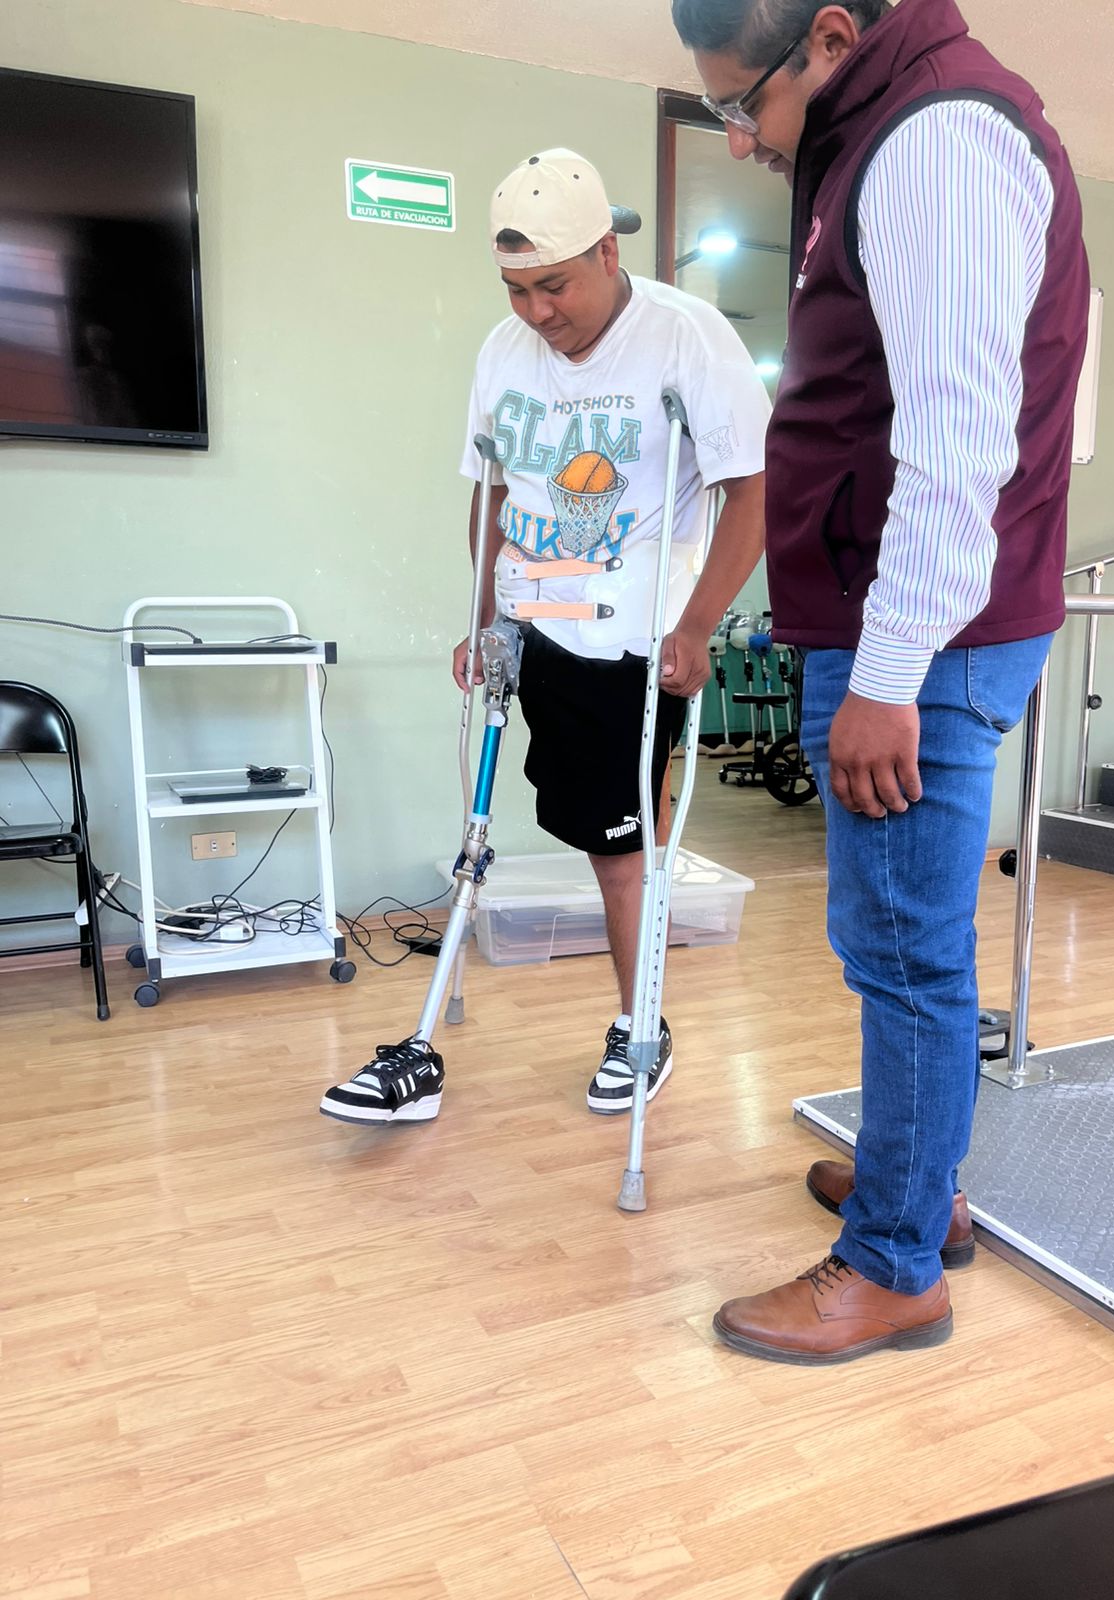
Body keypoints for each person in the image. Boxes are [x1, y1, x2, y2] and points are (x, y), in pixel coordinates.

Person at [672, 0, 1090, 1363]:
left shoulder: (934, 142)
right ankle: (923, 1179)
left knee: (905, 951)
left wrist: (889, 671)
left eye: (745, 103)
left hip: (920, 638)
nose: (740, 137)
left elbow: (958, 441)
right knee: (897, 942)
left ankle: (898, 1261)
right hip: (897, 620)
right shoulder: (884, 126)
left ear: (833, 36)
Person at [320, 148, 769, 1127]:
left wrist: (697, 625)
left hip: (633, 643)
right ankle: (424, 1041)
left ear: (608, 253)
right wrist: (484, 616)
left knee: (620, 847)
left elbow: (750, 494)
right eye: (516, 290)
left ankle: (640, 1027)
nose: (535, 311)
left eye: (554, 286)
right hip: (529, 629)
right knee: (493, 827)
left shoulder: (685, 338)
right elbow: (492, 491)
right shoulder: (503, 352)